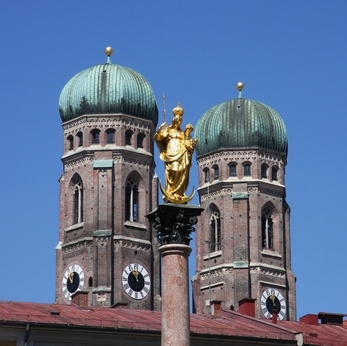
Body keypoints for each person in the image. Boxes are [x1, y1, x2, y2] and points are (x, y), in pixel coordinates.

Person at [154, 104, 197, 203]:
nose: (178, 123)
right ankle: (171, 192)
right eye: (177, 121)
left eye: (180, 122)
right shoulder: (168, 131)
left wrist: (190, 142)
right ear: (174, 122)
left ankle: (179, 193)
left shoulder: (182, 133)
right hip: (171, 153)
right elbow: (158, 138)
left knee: (182, 171)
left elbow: (188, 144)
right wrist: (160, 129)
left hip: (181, 154)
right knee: (174, 169)